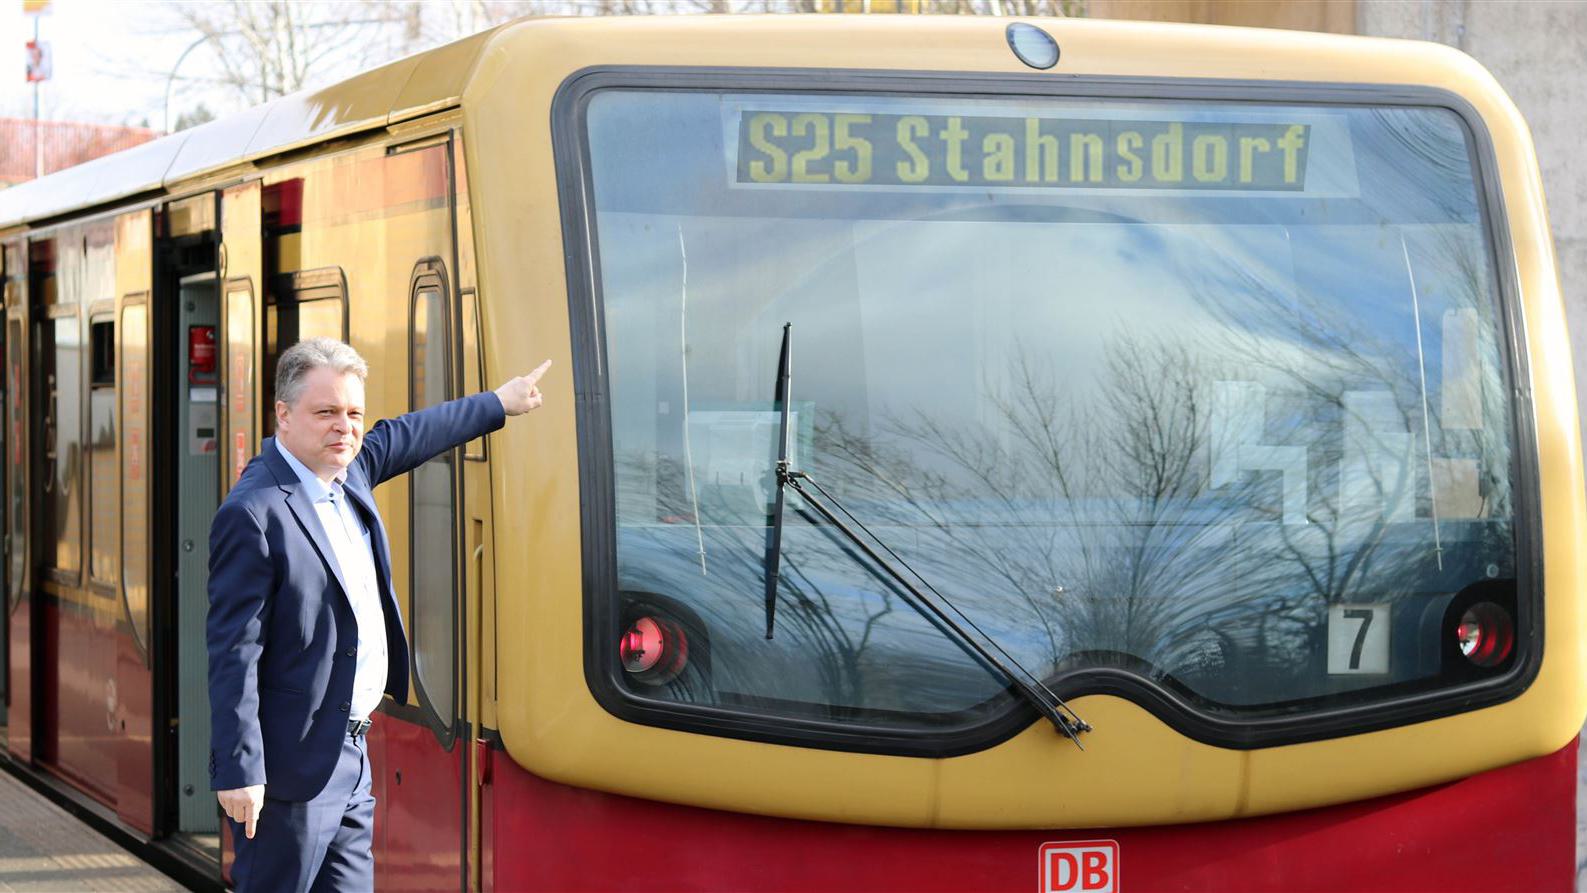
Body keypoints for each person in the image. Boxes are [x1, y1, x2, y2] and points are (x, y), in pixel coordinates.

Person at [206, 337, 550, 892]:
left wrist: (499, 403)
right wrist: (240, 770)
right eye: (326, 412)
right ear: (283, 415)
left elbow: (411, 433)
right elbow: (234, 652)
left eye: (353, 414)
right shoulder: (254, 512)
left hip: (352, 755)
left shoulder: (351, 473)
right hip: (289, 770)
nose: (344, 427)